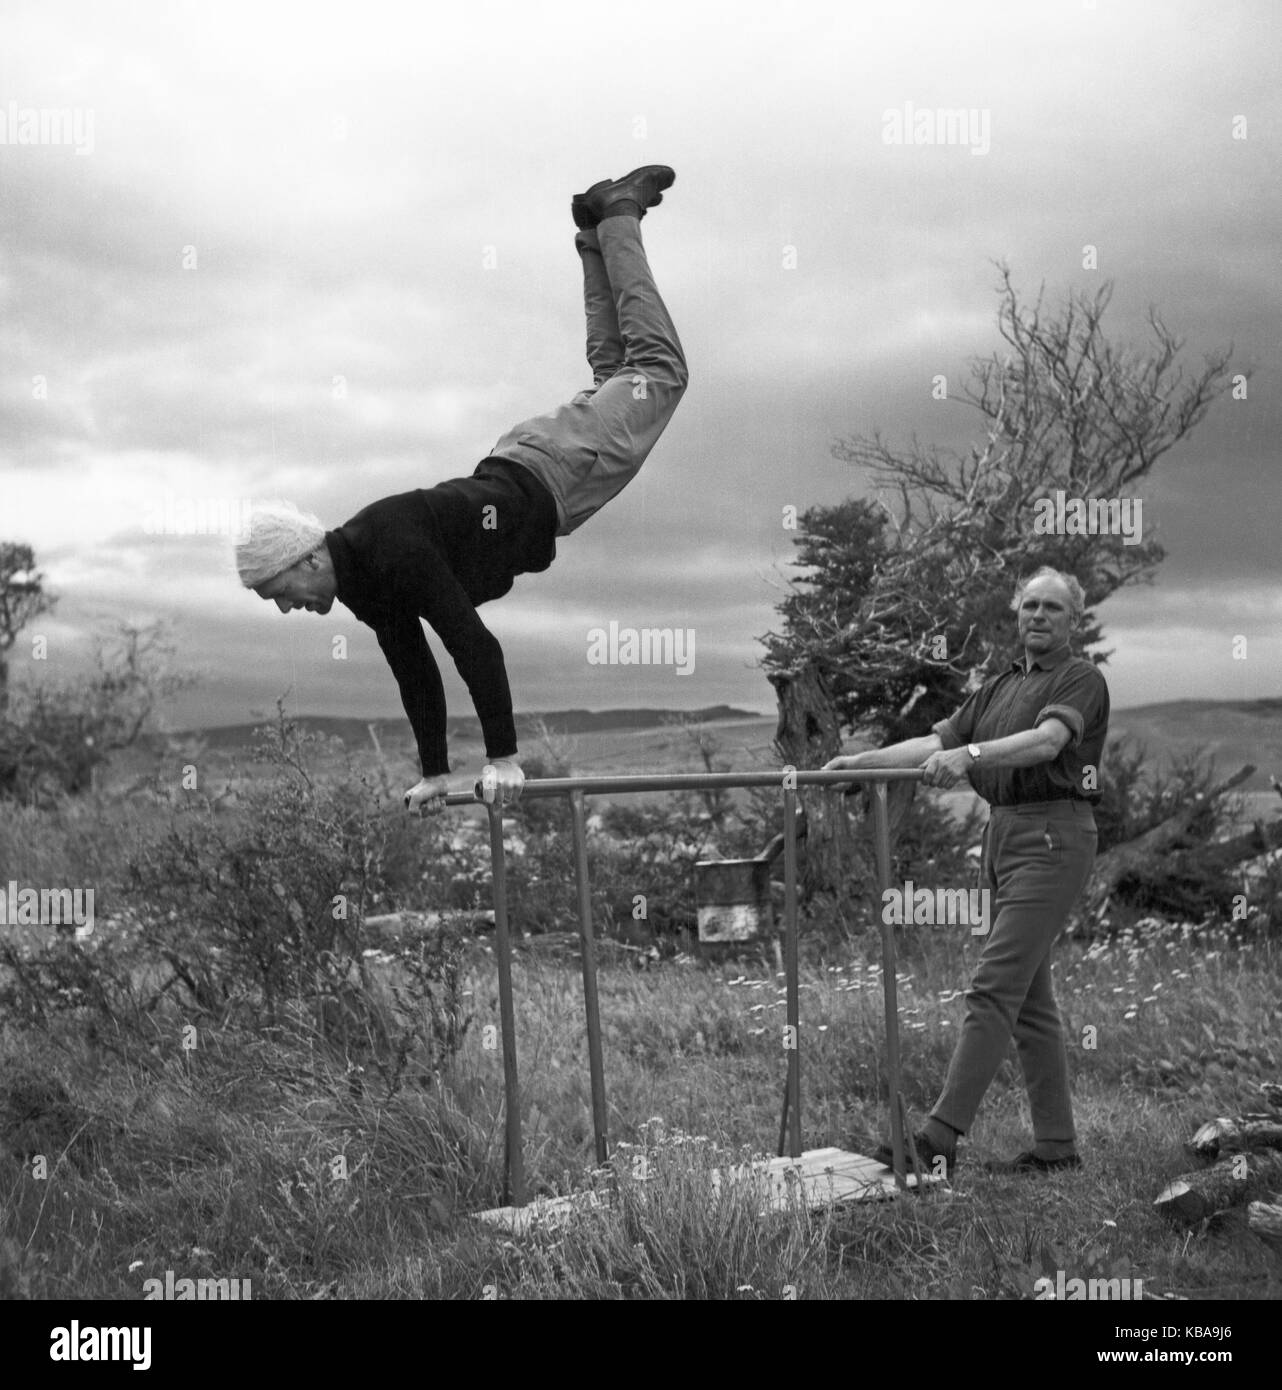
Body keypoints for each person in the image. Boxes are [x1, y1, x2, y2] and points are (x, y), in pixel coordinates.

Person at [233, 167, 687, 817]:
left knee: (658, 371)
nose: (286, 609)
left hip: (556, 471)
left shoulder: (386, 546)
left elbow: (471, 642)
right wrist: (436, 774)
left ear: (304, 560)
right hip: (534, 463)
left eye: (279, 593)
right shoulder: (361, 575)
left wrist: (503, 757)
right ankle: (596, 228)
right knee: (618, 371)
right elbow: (416, 670)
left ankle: (615, 218)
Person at [824, 567, 1109, 1175]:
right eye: (1029, 604)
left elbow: (1046, 743)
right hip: (1002, 831)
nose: (1038, 615)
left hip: (1054, 836)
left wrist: (970, 755)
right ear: (1017, 612)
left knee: (993, 986)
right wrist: (862, 761)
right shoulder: (999, 685)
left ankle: (936, 1140)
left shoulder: (1080, 678)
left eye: (1053, 608)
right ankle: (1057, 1149)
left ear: (1072, 620)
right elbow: (936, 743)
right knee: (1029, 998)